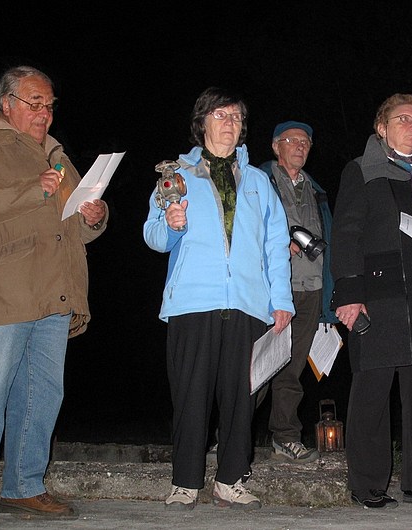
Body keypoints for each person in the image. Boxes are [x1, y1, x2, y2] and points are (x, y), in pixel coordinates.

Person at [0, 65, 108, 525]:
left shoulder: (57, 154)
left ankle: (24, 487)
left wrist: (93, 215)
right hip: (2, 290)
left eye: (50, 105)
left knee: (42, 394)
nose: (44, 113)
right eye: (35, 103)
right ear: (7, 102)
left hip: (55, 292)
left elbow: (79, 227)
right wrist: (30, 190)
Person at [143, 86, 294, 511]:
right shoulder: (176, 175)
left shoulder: (260, 182)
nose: (230, 123)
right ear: (202, 122)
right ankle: (185, 481)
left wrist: (280, 298)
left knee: (240, 397)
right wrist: (171, 224)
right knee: (191, 394)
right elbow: (153, 237)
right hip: (192, 301)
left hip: (248, 302)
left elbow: (275, 243)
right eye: (221, 115)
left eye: (236, 117)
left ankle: (230, 480)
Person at [330, 93, 412, 509]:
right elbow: (347, 234)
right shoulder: (362, 170)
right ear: (382, 127)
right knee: (372, 391)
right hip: (380, 293)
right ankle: (368, 484)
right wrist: (350, 295)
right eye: (403, 119)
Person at [253, 120, 338, 463]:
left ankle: (285, 437)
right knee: (256, 367)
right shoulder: (258, 181)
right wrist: (274, 244)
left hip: (310, 288)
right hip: (270, 289)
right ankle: (229, 438)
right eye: (293, 141)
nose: (301, 147)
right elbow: (243, 229)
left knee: (292, 369)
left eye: (306, 142)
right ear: (276, 146)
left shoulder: (317, 190)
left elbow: (328, 239)